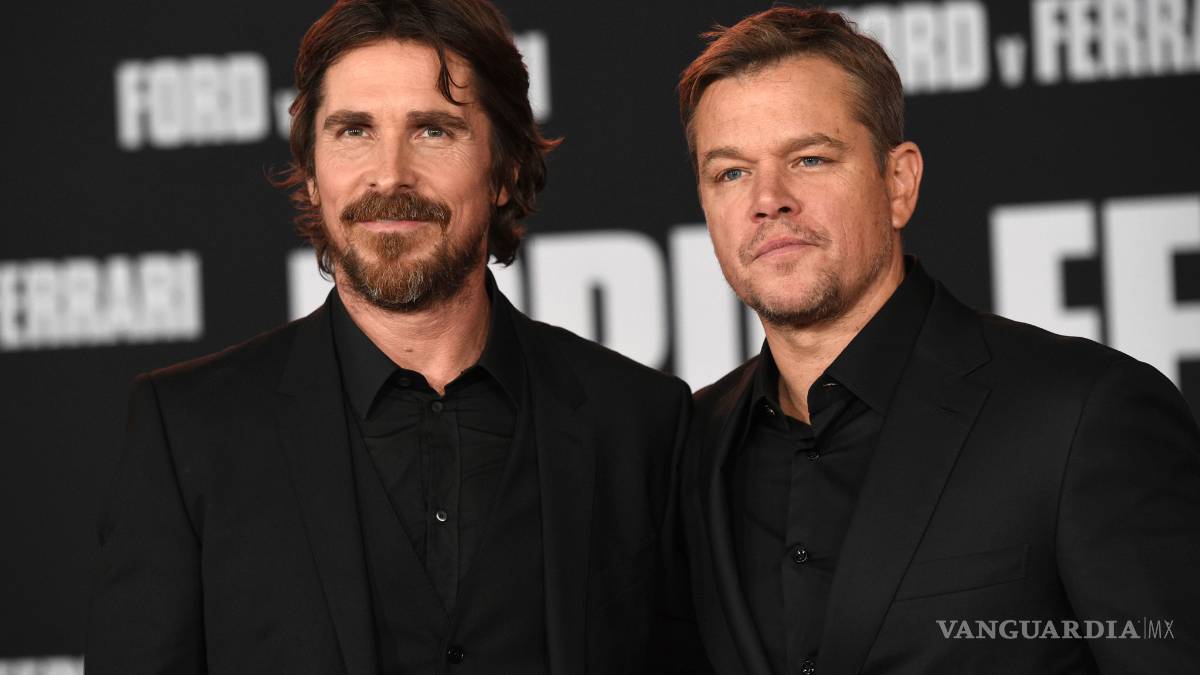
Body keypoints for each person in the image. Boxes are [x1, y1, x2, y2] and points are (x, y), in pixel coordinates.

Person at [86, 1, 693, 672]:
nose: (390, 174)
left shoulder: (639, 422)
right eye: (354, 131)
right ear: (312, 175)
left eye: (433, 130)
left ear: (506, 171)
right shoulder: (188, 432)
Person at [674, 7, 1200, 674]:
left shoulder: (1082, 414)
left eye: (809, 158)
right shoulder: (686, 447)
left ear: (899, 183)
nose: (768, 198)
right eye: (731, 172)